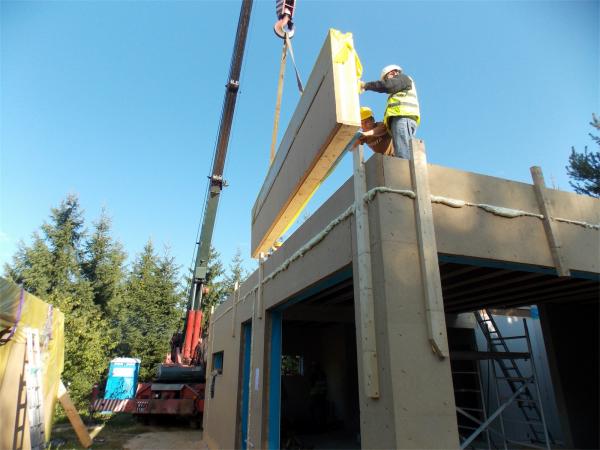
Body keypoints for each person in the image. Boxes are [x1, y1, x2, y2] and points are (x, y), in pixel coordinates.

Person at [360, 65, 420, 159]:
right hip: (401, 118)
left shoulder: (403, 78)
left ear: (392, 73)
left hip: (402, 117)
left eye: (386, 79)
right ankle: (404, 165)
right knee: (403, 148)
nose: (386, 81)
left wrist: (365, 86)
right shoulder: (398, 89)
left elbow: (387, 86)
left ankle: (403, 167)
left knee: (402, 150)